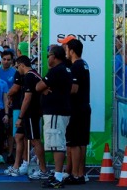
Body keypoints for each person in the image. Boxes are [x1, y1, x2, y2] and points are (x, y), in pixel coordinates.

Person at [36, 45, 72, 189]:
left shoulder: (57, 70)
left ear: (54, 56)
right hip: (58, 110)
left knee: (57, 144)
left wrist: (44, 88)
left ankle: (58, 175)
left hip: (56, 111)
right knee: (56, 142)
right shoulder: (64, 69)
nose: (47, 58)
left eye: (48, 55)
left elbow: (38, 86)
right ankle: (57, 174)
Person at [8, 56, 49, 179]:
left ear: (21, 65)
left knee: (35, 140)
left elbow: (27, 98)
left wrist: (20, 116)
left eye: (17, 66)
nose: (17, 69)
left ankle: (43, 170)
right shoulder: (32, 75)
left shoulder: (30, 76)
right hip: (28, 112)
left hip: (31, 113)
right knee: (18, 136)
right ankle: (16, 167)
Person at [64, 39, 91, 185]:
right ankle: (80, 174)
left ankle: (75, 174)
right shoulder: (84, 64)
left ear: (72, 51)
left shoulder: (76, 66)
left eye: (67, 49)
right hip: (84, 107)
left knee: (74, 143)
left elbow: (74, 89)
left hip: (76, 108)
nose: (66, 52)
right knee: (81, 142)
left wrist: (60, 91)